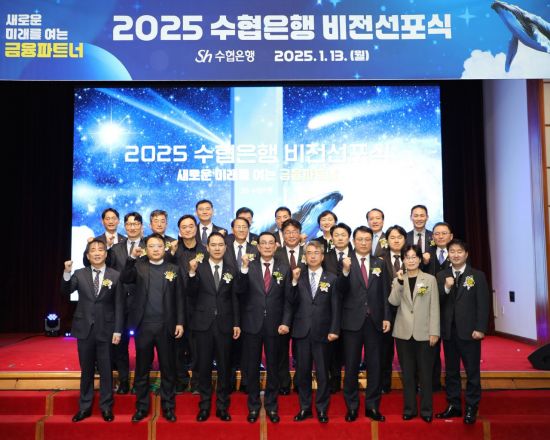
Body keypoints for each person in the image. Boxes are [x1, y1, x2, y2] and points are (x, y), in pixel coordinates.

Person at [121, 233, 185, 423]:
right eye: (151, 246)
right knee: (142, 369)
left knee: (168, 369)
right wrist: (131, 258)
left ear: (165, 248)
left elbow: (180, 298)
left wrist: (180, 322)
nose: (155, 249)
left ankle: (168, 407)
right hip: (144, 327)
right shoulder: (139, 267)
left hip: (167, 326)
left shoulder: (174, 269)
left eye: (159, 246)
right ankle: (141, 407)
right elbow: (125, 278)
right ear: (146, 249)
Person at [62, 239, 123, 422]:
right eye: (93, 250)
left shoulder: (115, 275)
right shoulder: (79, 274)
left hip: (107, 329)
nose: (97, 253)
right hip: (85, 329)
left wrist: (118, 330)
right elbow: (66, 292)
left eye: (100, 250)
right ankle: (84, 407)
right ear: (88, 256)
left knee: (106, 370)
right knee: (86, 370)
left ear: (106, 254)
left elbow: (119, 305)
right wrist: (67, 272)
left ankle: (106, 407)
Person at [281, 241, 341, 424]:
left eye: (316, 253)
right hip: (302, 332)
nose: (313, 256)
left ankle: (322, 409)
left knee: (323, 374)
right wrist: (293, 282)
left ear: (322, 256)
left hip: (324, 333)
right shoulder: (298, 276)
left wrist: (334, 329)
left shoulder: (332, 278)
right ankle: (305, 408)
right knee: (302, 373)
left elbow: (336, 307)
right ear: (304, 257)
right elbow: (290, 301)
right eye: (309, 253)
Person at [238, 232, 292, 424]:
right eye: (263, 243)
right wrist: (243, 269)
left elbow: (288, 300)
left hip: (275, 326)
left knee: (274, 368)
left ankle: (271, 406)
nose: (267, 246)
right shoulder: (248, 266)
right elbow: (239, 292)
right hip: (252, 324)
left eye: (271, 243)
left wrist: (286, 322)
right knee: (251, 367)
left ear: (276, 246)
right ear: (258, 247)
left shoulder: (284, 268)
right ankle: (253, 406)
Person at [187, 232, 241, 422]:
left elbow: (235, 298)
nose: (217, 248)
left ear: (225, 248)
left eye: (220, 245)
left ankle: (222, 407)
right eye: (214, 245)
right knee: (203, 367)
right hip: (203, 325)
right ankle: (204, 406)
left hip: (225, 324)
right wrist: (191, 273)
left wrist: (236, 323)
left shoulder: (232, 269)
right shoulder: (198, 267)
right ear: (207, 247)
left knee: (225, 367)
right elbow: (190, 294)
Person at [340, 226, 391, 422]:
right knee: (351, 366)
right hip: (351, 321)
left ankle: (372, 406)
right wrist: (345, 272)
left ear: (372, 241)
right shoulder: (346, 262)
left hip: (375, 321)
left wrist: (386, 316)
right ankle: (352, 407)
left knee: (375, 365)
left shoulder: (379, 262)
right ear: (353, 241)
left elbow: (385, 292)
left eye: (367, 239)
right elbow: (339, 291)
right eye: (360, 239)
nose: (363, 243)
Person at [436, 239, 489, 425]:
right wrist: (446, 287)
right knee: (451, 372)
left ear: (466, 254)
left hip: (470, 332)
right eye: (452, 251)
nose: (456, 255)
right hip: (449, 332)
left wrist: (480, 328)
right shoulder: (441, 275)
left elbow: (483, 304)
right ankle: (454, 405)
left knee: (472, 371)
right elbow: (436, 301)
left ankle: (472, 407)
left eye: (459, 251)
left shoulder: (477, 275)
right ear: (448, 254)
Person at [389, 245, 440, 423]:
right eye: (407, 257)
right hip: (403, 334)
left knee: (425, 374)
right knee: (408, 374)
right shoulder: (398, 280)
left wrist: (434, 331)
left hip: (424, 333)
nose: (410, 260)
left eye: (414, 257)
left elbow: (434, 306)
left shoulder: (429, 279)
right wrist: (399, 283)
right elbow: (393, 301)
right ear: (403, 260)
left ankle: (426, 410)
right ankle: (409, 409)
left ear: (419, 259)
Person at [108, 212, 146, 395]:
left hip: (143, 302)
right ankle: (123, 381)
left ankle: (140, 383)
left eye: (136, 224)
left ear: (141, 226)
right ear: (124, 226)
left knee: (142, 346)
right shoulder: (115, 249)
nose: (132, 227)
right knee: (120, 346)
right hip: (120, 302)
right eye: (129, 224)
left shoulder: (150, 245)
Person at [173, 214, 207, 394]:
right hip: (176, 304)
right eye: (184, 227)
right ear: (179, 231)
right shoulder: (173, 250)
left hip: (199, 304)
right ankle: (181, 380)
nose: (187, 229)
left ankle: (197, 382)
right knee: (177, 345)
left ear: (196, 228)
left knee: (198, 346)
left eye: (191, 226)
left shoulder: (205, 250)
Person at [225, 217, 259, 393]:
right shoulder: (224, 246)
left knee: (248, 344)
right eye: (238, 227)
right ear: (232, 229)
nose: (241, 229)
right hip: (226, 298)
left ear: (249, 228)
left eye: (244, 227)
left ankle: (246, 380)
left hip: (250, 299)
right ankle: (229, 381)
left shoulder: (256, 248)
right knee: (229, 342)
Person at [275, 218, 307, 394]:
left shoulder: (309, 252)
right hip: (281, 309)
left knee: (302, 350)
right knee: (280, 349)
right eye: (287, 232)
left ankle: (301, 383)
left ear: (300, 233)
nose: (291, 235)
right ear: (282, 234)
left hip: (304, 308)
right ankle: (283, 383)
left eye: (295, 232)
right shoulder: (276, 253)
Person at [422, 221, 454, 391]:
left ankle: (451, 384)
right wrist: (424, 262)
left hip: (451, 308)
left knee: (451, 350)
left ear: (451, 236)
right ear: (432, 237)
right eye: (437, 234)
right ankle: (432, 384)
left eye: (444, 233)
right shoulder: (427, 255)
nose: (440, 236)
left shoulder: (458, 253)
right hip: (429, 309)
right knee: (430, 350)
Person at [322, 222, 353, 393]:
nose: (340, 238)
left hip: (352, 306)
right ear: (331, 238)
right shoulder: (325, 257)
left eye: (343, 235)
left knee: (350, 347)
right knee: (331, 346)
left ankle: (350, 381)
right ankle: (333, 380)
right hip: (330, 307)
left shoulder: (356, 256)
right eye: (336, 235)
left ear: (349, 237)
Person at [380, 224, 407, 393]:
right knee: (385, 351)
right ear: (387, 240)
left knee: (407, 351)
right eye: (392, 237)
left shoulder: (412, 258)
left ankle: (412, 384)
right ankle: (384, 385)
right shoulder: (379, 259)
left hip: (407, 311)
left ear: (405, 239)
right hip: (386, 311)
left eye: (399, 237)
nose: (396, 240)